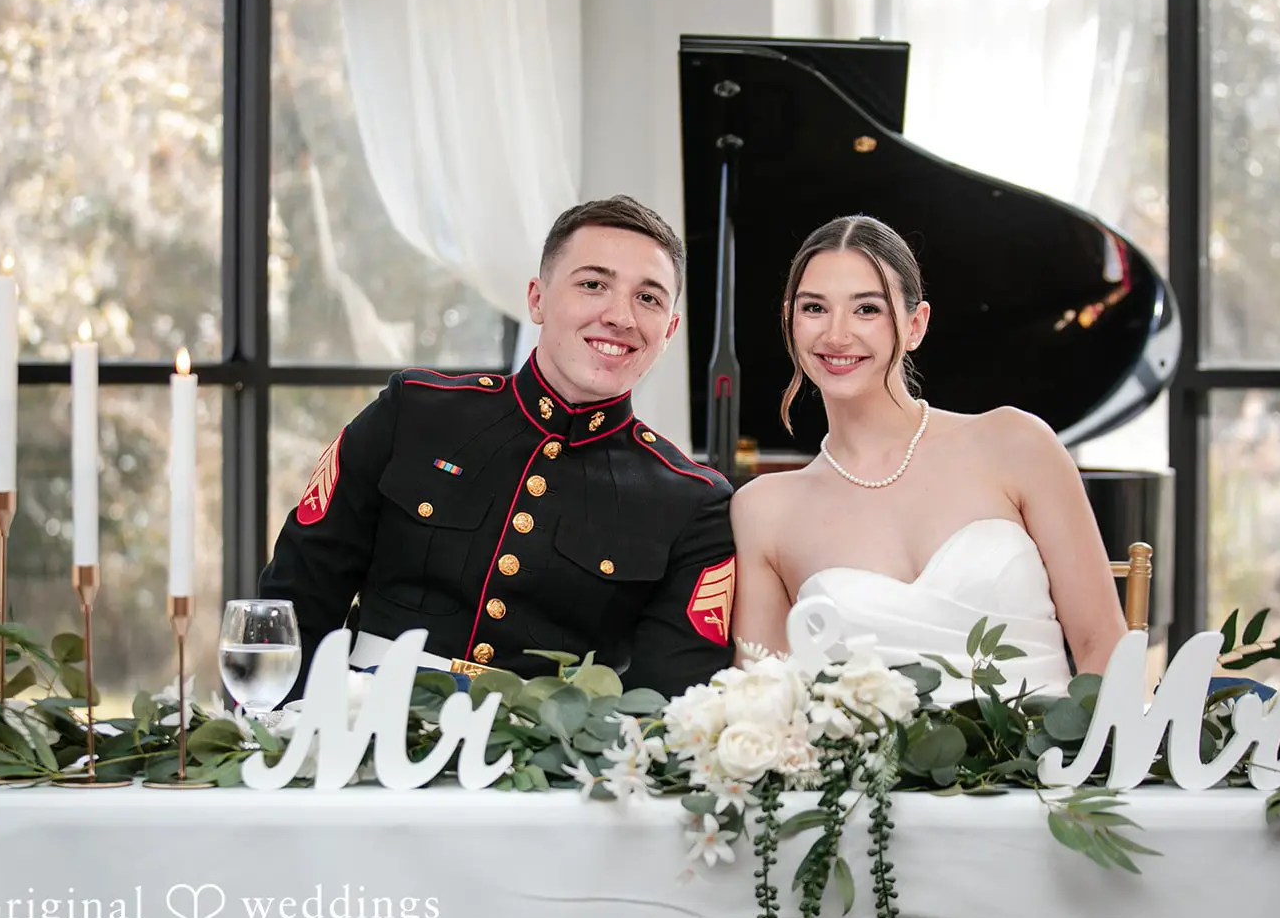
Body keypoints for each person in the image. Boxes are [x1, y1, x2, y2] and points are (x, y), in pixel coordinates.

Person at [261, 195, 738, 703]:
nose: (620, 316)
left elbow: (667, 700)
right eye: (593, 284)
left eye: (648, 298)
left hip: (553, 771)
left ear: (669, 329)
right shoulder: (415, 412)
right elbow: (298, 599)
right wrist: (286, 748)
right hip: (364, 740)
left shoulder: (694, 502)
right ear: (536, 298)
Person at [729, 214, 1128, 702]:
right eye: (815, 308)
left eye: (867, 310)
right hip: (870, 778)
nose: (836, 335)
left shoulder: (1015, 444)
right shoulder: (763, 510)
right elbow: (762, 701)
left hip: (1055, 770)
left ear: (915, 325)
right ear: (790, 320)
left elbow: (1101, 644)